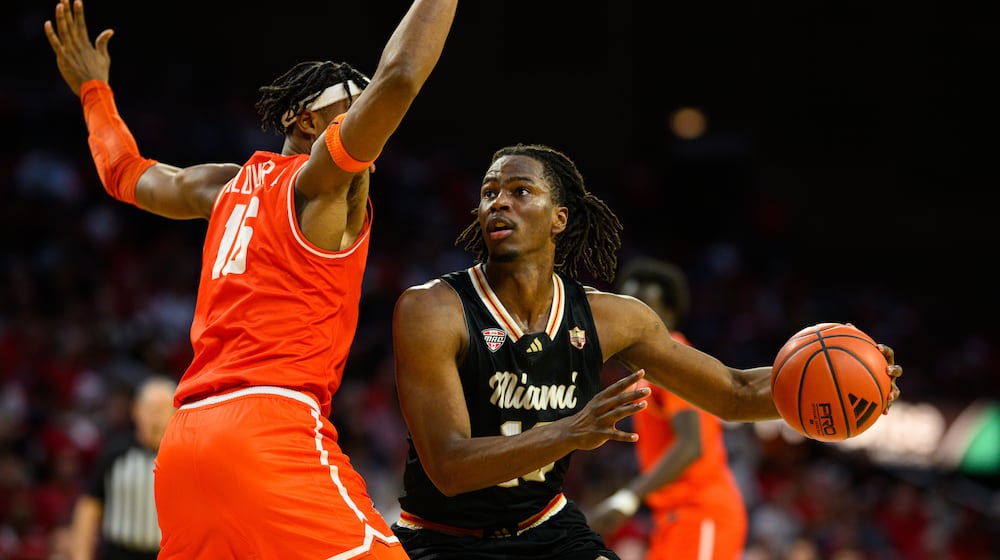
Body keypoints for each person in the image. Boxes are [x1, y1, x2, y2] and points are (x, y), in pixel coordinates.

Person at [44, 0, 458, 557]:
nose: (369, 119)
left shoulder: (221, 186)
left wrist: (95, 91)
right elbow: (402, 76)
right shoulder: (322, 185)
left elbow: (125, 173)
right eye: (354, 106)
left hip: (185, 441)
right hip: (269, 426)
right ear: (306, 120)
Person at [388, 143, 903, 560]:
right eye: (489, 192)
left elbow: (736, 392)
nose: (498, 201)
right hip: (442, 536)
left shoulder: (614, 318)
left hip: (545, 527)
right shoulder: (433, 309)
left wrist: (852, 387)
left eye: (520, 190)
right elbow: (449, 467)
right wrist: (569, 431)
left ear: (559, 218)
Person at [588, 257, 749, 560]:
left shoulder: (676, 358)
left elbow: (691, 445)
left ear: (669, 313)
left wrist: (627, 497)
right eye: (628, 306)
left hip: (700, 513)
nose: (630, 317)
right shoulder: (648, 366)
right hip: (673, 517)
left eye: (644, 306)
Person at [67, 376, 177, 560]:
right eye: (150, 409)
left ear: (175, 412)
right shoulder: (114, 453)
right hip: (118, 552)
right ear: (136, 410)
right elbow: (89, 507)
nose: (155, 417)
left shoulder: (185, 458)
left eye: (162, 409)